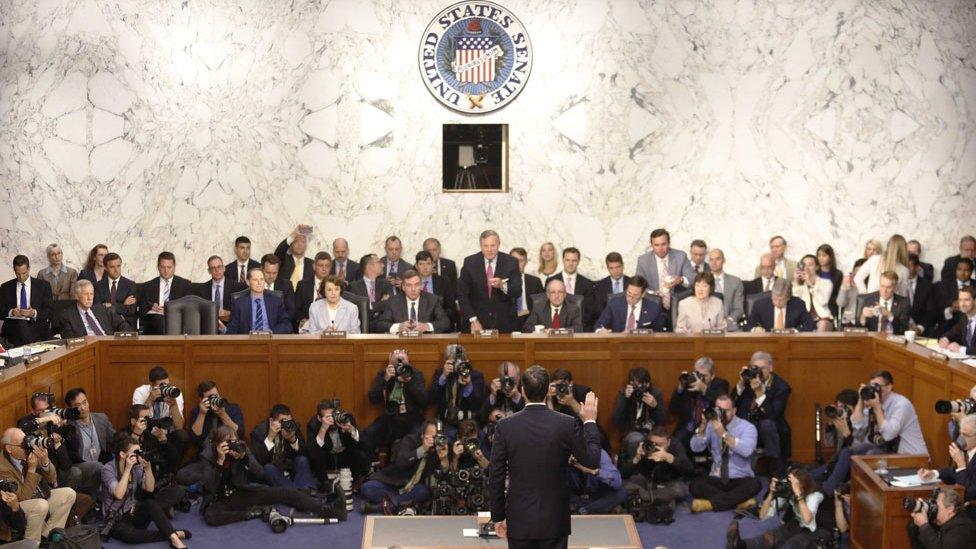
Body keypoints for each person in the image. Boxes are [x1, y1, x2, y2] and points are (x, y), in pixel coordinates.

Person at [488, 365, 602, 547]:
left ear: (523, 390)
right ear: (548, 390)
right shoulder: (567, 424)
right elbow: (592, 460)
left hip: (520, 519)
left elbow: (496, 476)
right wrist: (589, 421)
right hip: (555, 520)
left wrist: (498, 516)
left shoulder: (505, 426)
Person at [199, 426, 345, 526]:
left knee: (286, 492)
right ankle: (250, 513)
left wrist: (243, 457)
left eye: (234, 441)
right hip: (218, 499)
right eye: (227, 442)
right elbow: (210, 486)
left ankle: (330, 511)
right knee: (211, 516)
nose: (232, 445)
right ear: (218, 444)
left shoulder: (241, 448)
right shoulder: (208, 456)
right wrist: (220, 461)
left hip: (240, 492)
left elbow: (260, 473)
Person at [100, 436, 190, 548]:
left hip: (133, 512)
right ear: (123, 455)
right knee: (131, 536)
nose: (138, 456)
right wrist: (127, 469)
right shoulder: (108, 469)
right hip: (115, 519)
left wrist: (147, 469)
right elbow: (118, 494)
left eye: (139, 451)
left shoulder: (136, 467)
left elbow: (149, 489)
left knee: (151, 502)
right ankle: (172, 533)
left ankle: (174, 539)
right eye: (135, 452)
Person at [0, 428, 76, 543]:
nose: (27, 446)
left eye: (27, 441)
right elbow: (22, 497)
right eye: (23, 444)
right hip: (16, 506)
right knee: (41, 505)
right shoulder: (2, 467)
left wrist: (45, 461)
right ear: (9, 448)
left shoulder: (29, 454)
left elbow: (52, 478)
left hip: (37, 496)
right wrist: (31, 469)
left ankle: (47, 538)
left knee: (68, 494)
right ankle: (31, 544)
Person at [689, 395, 761, 513]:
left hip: (740, 478)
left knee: (755, 484)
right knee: (694, 485)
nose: (721, 413)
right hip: (717, 477)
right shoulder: (711, 424)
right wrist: (702, 428)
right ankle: (739, 501)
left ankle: (709, 504)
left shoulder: (748, 427)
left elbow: (747, 450)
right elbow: (695, 448)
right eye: (718, 409)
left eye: (726, 410)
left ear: (734, 410)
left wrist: (724, 434)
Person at [360, 420, 449, 514]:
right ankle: (400, 504)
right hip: (392, 483)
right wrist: (422, 449)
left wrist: (444, 459)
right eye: (432, 437)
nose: (435, 440)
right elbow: (401, 462)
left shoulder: (442, 447)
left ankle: (381, 507)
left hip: (413, 488)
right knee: (367, 488)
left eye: (437, 437)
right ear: (422, 435)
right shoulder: (409, 440)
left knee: (424, 492)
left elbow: (442, 478)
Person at [727, 468, 828, 548]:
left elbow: (807, 520)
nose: (791, 487)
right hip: (798, 523)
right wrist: (772, 493)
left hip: (819, 528)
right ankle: (741, 545)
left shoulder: (815, 494)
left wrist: (798, 493)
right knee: (770, 537)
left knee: (792, 544)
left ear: (803, 486)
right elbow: (763, 515)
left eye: (794, 485)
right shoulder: (789, 489)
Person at [731, 352, 792, 477]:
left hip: (771, 426)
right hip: (749, 422)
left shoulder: (782, 387)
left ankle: (775, 467)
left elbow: (773, 414)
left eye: (763, 368)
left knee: (767, 424)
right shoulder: (748, 380)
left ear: (771, 368)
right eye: (756, 368)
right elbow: (731, 404)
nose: (759, 372)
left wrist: (759, 392)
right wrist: (741, 384)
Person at [620, 426, 693, 524]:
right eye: (654, 444)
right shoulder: (643, 446)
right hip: (649, 481)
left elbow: (689, 470)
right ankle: (662, 500)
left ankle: (644, 498)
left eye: (661, 445)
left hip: (670, 483)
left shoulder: (676, 446)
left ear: (669, 442)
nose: (657, 447)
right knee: (628, 484)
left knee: (680, 489)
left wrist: (669, 458)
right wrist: (636, 458)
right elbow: (623, 474)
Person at [363, 350, 427, 458]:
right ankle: (371, 466)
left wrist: (409, 382)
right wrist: (386, 379)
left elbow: (424, 402)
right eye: (397, 363)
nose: (400, 366)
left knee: (419, 436)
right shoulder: (384, 373)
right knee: (367, 434)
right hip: (390, 418)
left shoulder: (415, 374)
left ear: (409, 361)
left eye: (403, 362)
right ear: (390, 361)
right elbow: (373, 398)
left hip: (412, 418)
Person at [457, 230, 522, 333]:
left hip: (504, 325)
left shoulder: (511, 262)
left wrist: (502, 285)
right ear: (480, 246)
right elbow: (462, 294)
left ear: (499, 245)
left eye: (493, 245)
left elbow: (517, 291)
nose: (489, 249)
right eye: (485, 246)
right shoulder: (470, 262)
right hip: (476, 324)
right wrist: (473, 320)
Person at [851, 370, 928, 455]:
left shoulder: (901, 404)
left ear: (889, 387)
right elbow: (857, 426)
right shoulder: (875, 401)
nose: (874, 390)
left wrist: (877, 408)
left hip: (912, 455)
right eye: (871, 386)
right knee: (857, 450)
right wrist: (861, 398)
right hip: (889, 450)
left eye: (877, 386)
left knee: (872, 454)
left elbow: (888, 435)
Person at [669, 357, 731, 454]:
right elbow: (673, 409)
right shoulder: (690, 383)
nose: (700, 379)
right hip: (689, 427)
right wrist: (680, 388)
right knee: (676, 442)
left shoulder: (721, 384)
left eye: (704, 376)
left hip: (709, 428)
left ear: (712, 375)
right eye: (698, 374)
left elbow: (722, 403)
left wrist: (704, 389)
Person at [917, 414, 976, 516]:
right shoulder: (970, 450)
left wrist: (961, 464)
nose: (961, 439)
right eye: (961, 434)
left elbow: (969, 493)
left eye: (966, 435)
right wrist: (934, 473)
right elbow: (955, 472)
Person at [63, 387, 115, 499]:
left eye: (85, 402)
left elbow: (115, 439)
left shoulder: (101, 418)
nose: (83, 407)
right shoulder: (69, 427)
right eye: (77, 406)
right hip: (80, 467)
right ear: (71, 409)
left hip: (100, 462)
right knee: (99, 467)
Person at [249, 404, 314, 490]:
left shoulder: (292, 427)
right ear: (272, 421)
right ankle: (298, 493)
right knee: (269, 468)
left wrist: (293, 440)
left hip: (289, 472)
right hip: (272, 475)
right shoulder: (259, 432)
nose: (286, 425)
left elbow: (306, 455)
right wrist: (270, 438)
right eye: (282, 422)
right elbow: (256, 463)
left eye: (289, 421)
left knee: (302, 460)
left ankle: (297, 492)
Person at [306, 398, 370, 483]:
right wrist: (323, 429)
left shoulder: (345, 418)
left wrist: (352, 430)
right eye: (328, 417)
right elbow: (313, 453)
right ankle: (324, 484)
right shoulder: (313, 425)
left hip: (344, 455)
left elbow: (366, 444)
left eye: (332, 415)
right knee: (318, 456)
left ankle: (357, 483)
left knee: (360, 454)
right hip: (327, 456)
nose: (332, 419)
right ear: (319, 418)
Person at [612, 367, 666, 461]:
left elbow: (663, 422)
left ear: (648, 383)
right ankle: (634, 468)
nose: (638, 388)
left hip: (651, 431)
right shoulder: (624, 393)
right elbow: (616, 420)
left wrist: (655, 406)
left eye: (641, 384)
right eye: (635, 384)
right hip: (631, 432)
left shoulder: (656, 394)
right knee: (636, 439)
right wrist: (625, 399)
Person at [429, 344, 485, 436]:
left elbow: (477, 404)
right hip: (445, 422)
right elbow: (431, 399)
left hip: (468, 422)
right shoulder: (440, 373)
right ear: (446, 362)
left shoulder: (476, 376)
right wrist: (443, 377)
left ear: (467, 362)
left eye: (459, 363)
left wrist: (468, 384)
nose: (456, 366)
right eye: (453, 362)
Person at [811, 389, 859, 495]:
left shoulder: (859, 423)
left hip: (851, 466)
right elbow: (829, 444)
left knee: (846, 452)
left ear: (854, 407)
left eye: (843, 407)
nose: (840, 410)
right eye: (838, 406)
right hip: (834, 463)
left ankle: (827, 489)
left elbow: (858, 450)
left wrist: (848, 433)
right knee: (807, 478)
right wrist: (830, 425)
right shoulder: (841, 421)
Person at [635, 228, 696, 311]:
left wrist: (681, 279)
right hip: (652, 304)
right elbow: (638, 285)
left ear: (669, 243)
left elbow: (692, 278)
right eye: (656, 245)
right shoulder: (643, 260)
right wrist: (653, 294)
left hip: (678, 304)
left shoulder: (681, 256)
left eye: (663, 244)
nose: (660, 248)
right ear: (651, 245)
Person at [0, 255, 54, 347]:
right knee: (20, 323)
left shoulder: (43, 286)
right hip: (14, 328)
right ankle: (31, 348)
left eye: (24, 273)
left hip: (37, 326)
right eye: (18, 273)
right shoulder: (5, 287)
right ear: (14, 270)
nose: (21, 277)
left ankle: (27, 348)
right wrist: (12, 312)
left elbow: (50, 312)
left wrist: (33, 313)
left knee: (24, 328)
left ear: (29, 269)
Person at [375, 269, 450, 333]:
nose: (413, 289)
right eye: (409, 285)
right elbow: (380, 325)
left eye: (416, 285)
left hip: (425, 344)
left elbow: (445, 322)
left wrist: (427, 326)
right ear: (403, 287)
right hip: (401, 344)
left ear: (421, 286)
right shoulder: (393, 302)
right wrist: (398, 327)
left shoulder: (432, 300)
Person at [138, 252, 193, 335]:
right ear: (158, 267)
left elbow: (188, 308)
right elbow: (141, 310)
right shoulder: (148, 286)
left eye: (169, 267)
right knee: (158, 319)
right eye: (163, 267)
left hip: (176, 321)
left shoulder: (185, 285)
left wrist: (169, 311)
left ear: (174, 267)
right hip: (154, 322)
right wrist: (151, 307)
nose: (166, 271)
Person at [225, 268, 292, 334]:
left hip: (270, 340)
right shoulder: (239, 303)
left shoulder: (276, 301)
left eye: (262, 279)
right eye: (255, 280)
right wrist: (224, 329)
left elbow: (286, 324)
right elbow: (232, 328)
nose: (259, 283)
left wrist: (272, 332)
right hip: (248, 341)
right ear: (248, 282)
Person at [907, 487, 976, 549]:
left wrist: (924, 526)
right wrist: (919, 524)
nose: (933, 508)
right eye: (932, 504)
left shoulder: (962, 529)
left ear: (950, 509)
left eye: (937, 506)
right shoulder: (941, 523)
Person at [58, 279, 129, 337]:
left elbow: (122, 324)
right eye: (86, 294)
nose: (89, 298)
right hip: (87, 349)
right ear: (77, 296)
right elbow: (70, 340)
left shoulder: (102, 309)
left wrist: (119, 339)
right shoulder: (67, 316)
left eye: (91, 294)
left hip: (108, 344)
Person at [594, 275, 664, 333]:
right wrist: (600, 331)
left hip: (642, 346)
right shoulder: (614, 304)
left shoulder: (654, 308)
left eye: (635, 295)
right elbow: (599, 325)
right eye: (629, 293)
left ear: (643, 294)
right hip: (618, 344)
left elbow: (658, 332)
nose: (630, 298)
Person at [567, 449, 626, 515]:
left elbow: (617, 482)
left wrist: (592, 471)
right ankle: (591, 509)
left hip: (595, 496)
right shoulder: (564, 454)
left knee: (621, 493)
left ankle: (584, 510)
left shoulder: (600, 454)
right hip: (575, 497)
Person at [187, 381, 244, 446]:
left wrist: (223, 414)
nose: (214, 399)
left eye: (216, 396)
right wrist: (202, 414)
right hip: (206, 451)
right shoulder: (197, 411)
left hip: (229, 449)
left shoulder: (233, 408)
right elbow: (194, 439)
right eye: (210, 397)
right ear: (201, 399)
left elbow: (240, 434)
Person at [747, 278, 816, 332]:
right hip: (767, 341)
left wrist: (794, 331)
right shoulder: (760, 305)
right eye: (774, 298)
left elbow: (810, 326)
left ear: (788, 297)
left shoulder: (798, 304)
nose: (777, 302)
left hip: (790, 341)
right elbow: (748, 326)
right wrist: (754, 329)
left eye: (781, 300)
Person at [195, 255, 243, 333]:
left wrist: (229, 313)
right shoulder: (202, 289)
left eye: (219, 267)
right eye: (213, 268)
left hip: (230, 327)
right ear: (209, 271)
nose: (217, 270)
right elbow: (199, 312)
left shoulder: (237, 287)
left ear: (224, 268)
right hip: (208, 328)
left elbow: (243, 311)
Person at [584, 252, 630, 331]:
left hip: (628, 327)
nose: (615, 271)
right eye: (611, 268)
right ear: (607, 268)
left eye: (618, 267)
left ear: (623, 266)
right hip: (606, 329)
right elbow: (597, 312)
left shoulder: (632, 284)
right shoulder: (599, 286)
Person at [414, 250, 457, 331]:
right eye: (421, 264)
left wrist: (435, 318)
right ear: (416, 266)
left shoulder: (444, 282)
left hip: (438, 326)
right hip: (416, 327)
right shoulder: (410, 282)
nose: (425, 267)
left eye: (428, 264)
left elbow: (451, 308)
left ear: (433, 264)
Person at [791, 253, 834, 331]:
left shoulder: (826, 283)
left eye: (810, 265)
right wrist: (796, 283)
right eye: (804, 265)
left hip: (822, 319)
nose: (807, 268)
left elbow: (823, 302)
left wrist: (810, 284)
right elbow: (795, 304)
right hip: (804, 320)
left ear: (817, 267)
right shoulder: (798, 285)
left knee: (823, 324)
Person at [95, 252, 138, 329]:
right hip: (105, 324)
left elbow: (131, 310)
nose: (116, 270)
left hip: (126, 323)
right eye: (112, 267)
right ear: (105, 268)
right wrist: (123, 305)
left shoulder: (130, 285)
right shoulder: (98, 286)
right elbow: (98, 309)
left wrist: (111, 305)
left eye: (118, 266)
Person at [347, 253, 394, 319]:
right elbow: (357, 310)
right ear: (370, 266)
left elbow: (391, 304)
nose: (383, 265)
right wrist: (381, 303)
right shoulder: (353, 287)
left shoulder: (386, 284)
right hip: (362, 326)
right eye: (379, 262)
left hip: (382, 325)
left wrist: (370, 306)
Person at [935, 258, 974, 336]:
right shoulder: (942, 286)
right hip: (947, 328)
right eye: (959, 269)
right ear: (955, 270)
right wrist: (950, 310)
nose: (962, 273)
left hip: (971, 329)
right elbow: (936, 312)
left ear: (971, 272)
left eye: (966, 270)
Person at [295, 251, 334, 328]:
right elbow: (296, 308)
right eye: (320, 265)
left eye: (327, 266)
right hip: (308, 324)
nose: (324, 269)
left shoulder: (336, 286)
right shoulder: (303, 285)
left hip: (330, 325)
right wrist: (302, 319)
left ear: (330, 268)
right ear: (314, 266)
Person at [708, 249, 744, 329]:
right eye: (711, 260)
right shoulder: (703, 282)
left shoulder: (735, 282)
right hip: (707, 325)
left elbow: (739, 308)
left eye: (717, 259)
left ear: (723, 260)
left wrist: (729, 320)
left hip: (729, 325)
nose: (714, 263)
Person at [274, 224, 315, 290]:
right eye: (296, 241)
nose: (299, 244)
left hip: (303, 299)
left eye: (302, 241)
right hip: (284, 298)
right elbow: (279, 252)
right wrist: (293, 234)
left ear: (306, 245)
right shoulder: (284, 259)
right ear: (291, 244)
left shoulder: (312, 264)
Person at [259, 253, 297, 322]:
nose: (271, 276)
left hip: (279, 327)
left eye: (274, 273)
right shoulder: (254, 284)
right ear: (261, 269)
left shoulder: (286, 285)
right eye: (268, 272)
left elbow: (291, 311)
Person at [908, 253, 939, 335]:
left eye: (909, 266)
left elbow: (931, 312)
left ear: (917, 268)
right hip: (900, 328)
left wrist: (920, 327)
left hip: (921, 329)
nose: (906, 269)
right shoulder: (898, 283)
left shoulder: (927, 286)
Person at [509, 247, 544, 320]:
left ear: (526, 262)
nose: (517, 264)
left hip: (530, 320)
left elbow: (542, 306)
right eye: (514, 260)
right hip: (509, 320)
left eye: (521, 260)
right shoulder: (502, 282)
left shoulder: (535, 282)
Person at [938, 287, 976, 353]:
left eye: (966, 300)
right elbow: (952, 333)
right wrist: (945, 339)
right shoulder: (964, 318)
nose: (962, 304)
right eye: (960, 300)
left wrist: (961, 349)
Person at [816, 244, 844, 318]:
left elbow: (837, 294)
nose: (821, 258)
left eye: (824, 255)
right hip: (817, 305)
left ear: (830, 257)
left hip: (831, 308)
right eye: (819, 255)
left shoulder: (838, 274)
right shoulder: (815, 272)